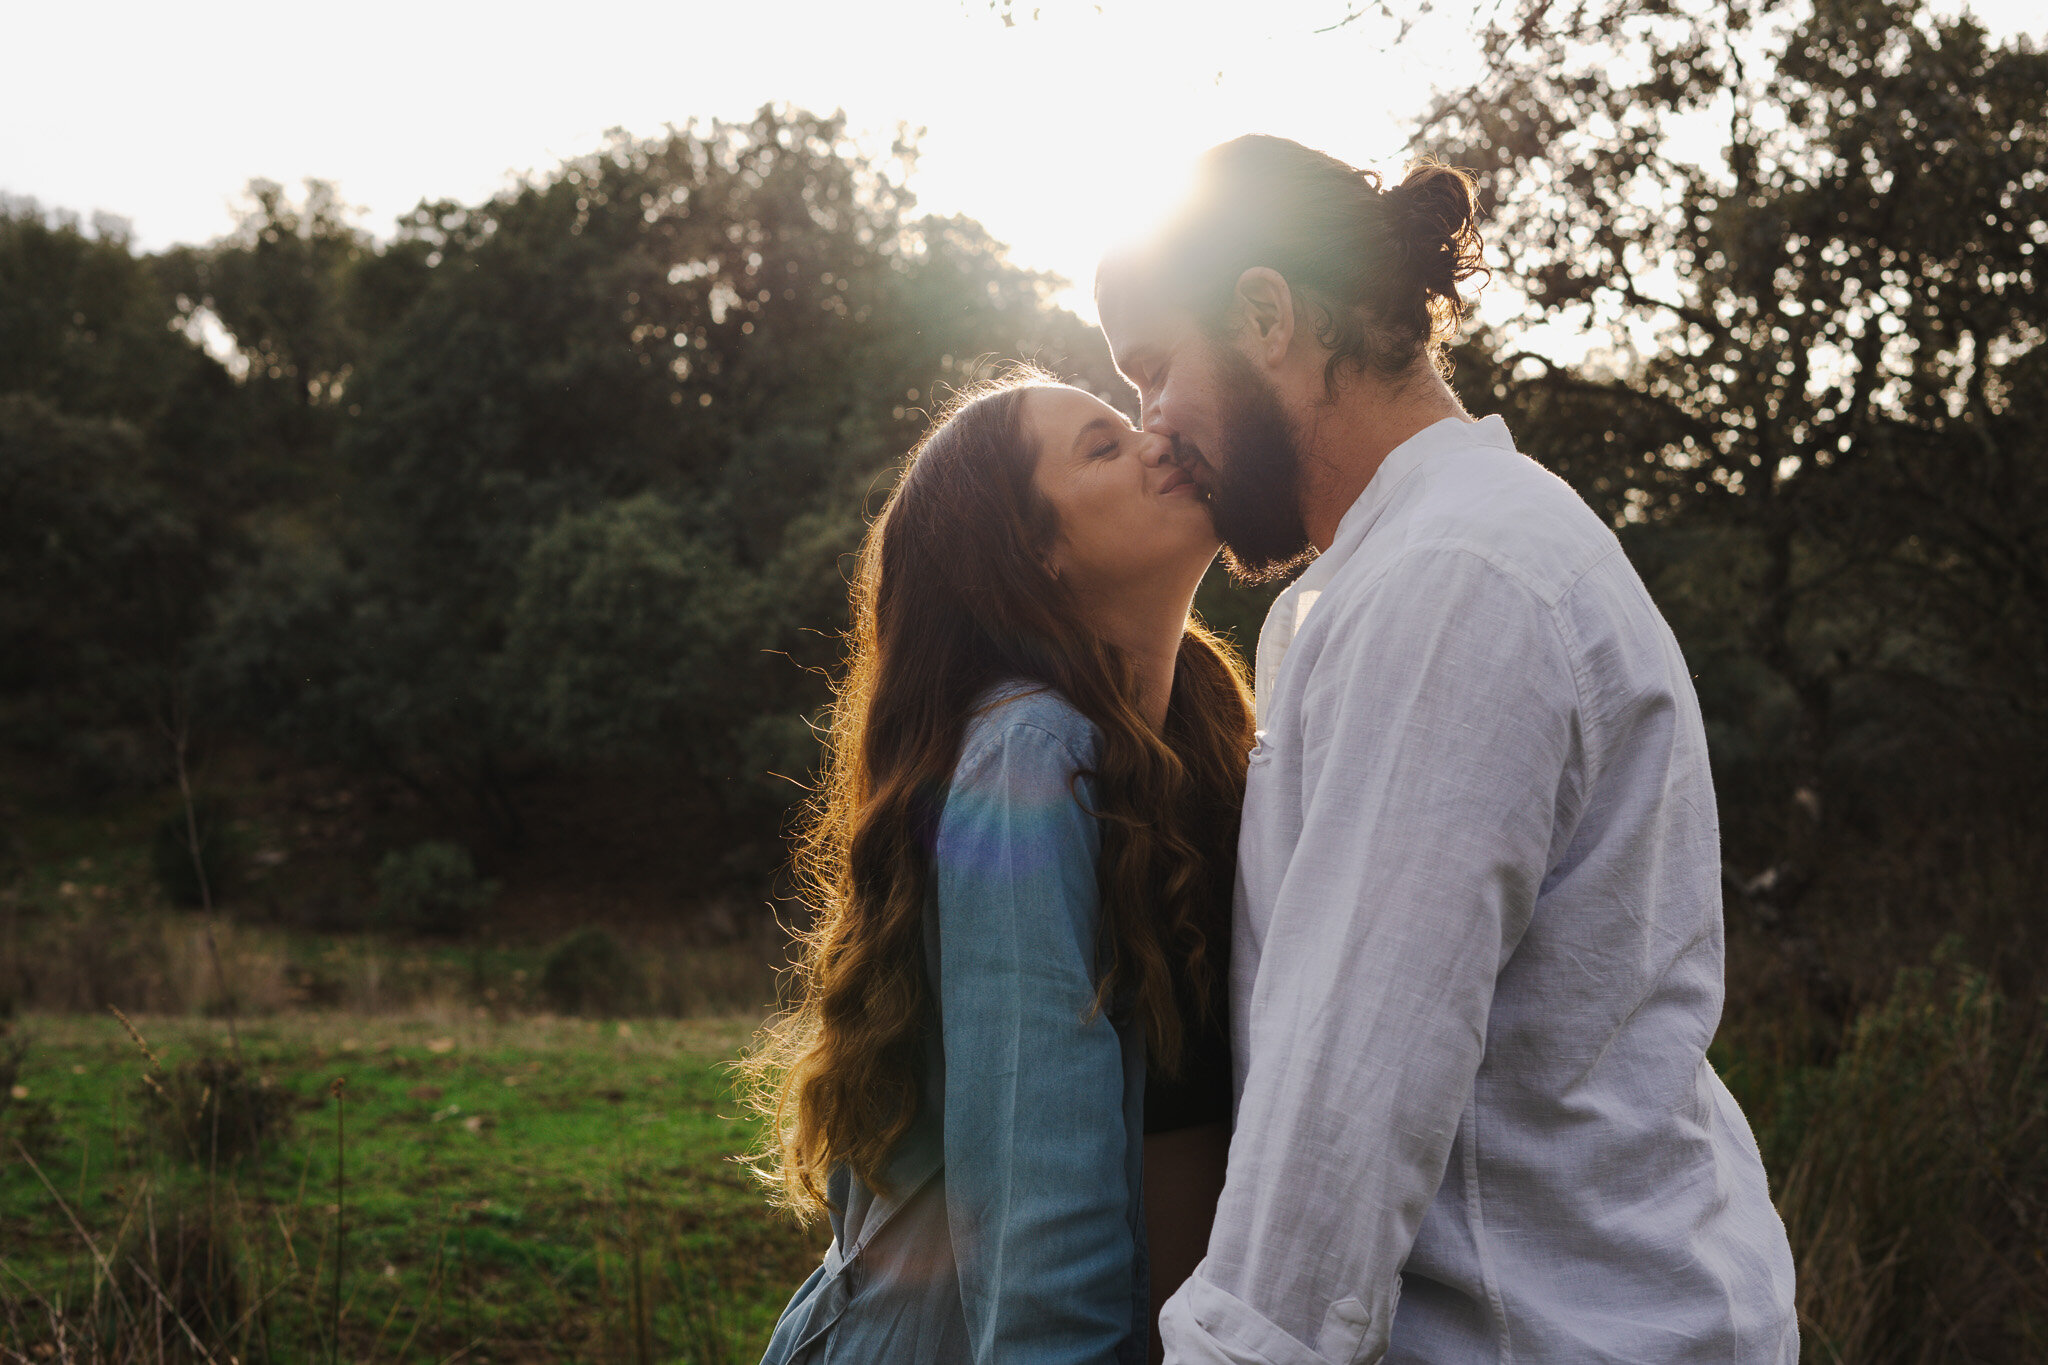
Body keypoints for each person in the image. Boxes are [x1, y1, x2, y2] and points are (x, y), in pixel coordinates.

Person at [1095, 136, 1799, 1363]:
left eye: (1155, 371)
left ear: (1266, 315)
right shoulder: (1395, 570)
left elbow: (1348, 1090)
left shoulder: (1451, 580)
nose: (1153, 431)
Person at [745, 367, 1254, 1364]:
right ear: (1034, 556)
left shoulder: (1202, 749)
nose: (1158, 439)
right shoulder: (1026, 755)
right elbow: (1036, 1193)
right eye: (1102, 447)